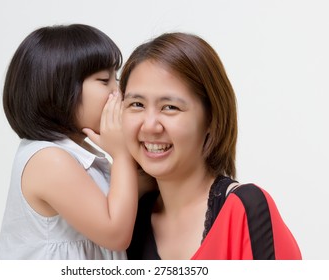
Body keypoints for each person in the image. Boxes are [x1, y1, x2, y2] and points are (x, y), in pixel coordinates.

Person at [120, 32, 302, 260]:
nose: (150, 126)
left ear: (210, 119)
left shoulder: (246, 208)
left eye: (170, 107)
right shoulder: (123, 223)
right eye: (136, 104)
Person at [0, 24, 138, 259]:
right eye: (105, 81)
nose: (118, 92)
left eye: (117, 78)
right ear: (59, 90)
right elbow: (115, 234)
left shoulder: (81, 153)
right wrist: (122, 156)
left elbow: (123, 197)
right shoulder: (48, 159)